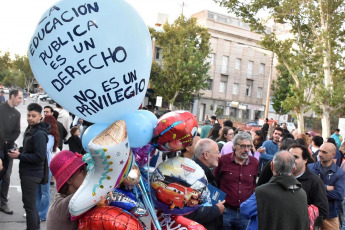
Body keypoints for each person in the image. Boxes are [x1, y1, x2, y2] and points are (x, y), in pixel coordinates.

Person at [241, 151, 309, 230]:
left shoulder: (262, 192)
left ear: (272, 166)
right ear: (293, 169)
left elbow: (245, 210)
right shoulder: (302, 194)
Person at [8, 103, 49, 230]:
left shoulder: (40, 134)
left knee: (29, 206)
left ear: (40, 117)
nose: (30, 118)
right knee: (30, 205)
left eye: (34, 116)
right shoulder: (31, 129)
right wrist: (19, 150)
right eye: (28, 115)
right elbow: (30, 149)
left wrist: (19, 156)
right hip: (28, 172)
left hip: (32, 174)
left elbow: (39, 156)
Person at [214, 132, 259, 230]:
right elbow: (215, 181)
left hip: (245, 213)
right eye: (243, 146)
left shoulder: (254, 162)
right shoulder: (223, 160)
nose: (246, 150)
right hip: (226, 211)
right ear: (234, 146)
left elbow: (254, 184)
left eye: (249, 146)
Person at [185, 139, 224, 230]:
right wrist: (216, 210)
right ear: (206, 155)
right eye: (217, 153)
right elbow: (188, 213)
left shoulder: (202, 172)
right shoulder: (194, 176)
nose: (219, 156)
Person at [289, 143, 329, 228]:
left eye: (295, 157)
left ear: (305, 160)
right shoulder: (280, 177)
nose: (291, 160)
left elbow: (322, 211)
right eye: (289, 157)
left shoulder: (314, 181)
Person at [308, 142, 345, 230]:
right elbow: (306, 189)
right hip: (310, 214)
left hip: (330, 215)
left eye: (324, 152)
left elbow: (339, 195)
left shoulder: (339, 173)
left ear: (333, 155)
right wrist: (325, 187)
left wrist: (316, 191)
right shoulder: (310, 168)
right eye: (320, 151)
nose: (320, 154)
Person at [47, 150, 87, 230]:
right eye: (82, 171)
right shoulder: (62, 206)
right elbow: (91, 192)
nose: (87, 173)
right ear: (69, 180)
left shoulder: (64, 197)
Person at [0, 89, 22, 215]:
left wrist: (9, 141)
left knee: (7, 177)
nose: (20, 100)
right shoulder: (1, 109)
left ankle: (3, 202)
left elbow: (17, 131)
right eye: (19, 98)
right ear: (12, 97)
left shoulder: (17, 114)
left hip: (8, 148)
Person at [36, 115, 59, 221]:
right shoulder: (44, 134)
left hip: (46, 165)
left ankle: (43, 214)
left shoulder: (50, 137)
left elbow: (44, 149)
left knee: (44, 191)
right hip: (39, 164)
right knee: (37, 191)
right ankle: (35, 212)